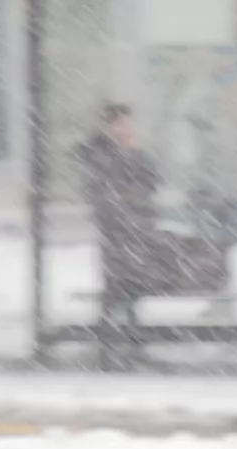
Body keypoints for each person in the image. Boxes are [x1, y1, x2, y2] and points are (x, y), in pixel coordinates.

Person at [75, 103, 162, 370]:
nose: (127, 128)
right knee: (115, 287)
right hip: (115, 231)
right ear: (110, 126)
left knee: (133, 287)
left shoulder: (134, 153)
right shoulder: (100, 154)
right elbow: (104, 189)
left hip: (136, 229)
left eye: (128, 123)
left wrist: (134, 156)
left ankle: (132, 341)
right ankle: (110, 343)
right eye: (122, 123)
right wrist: (124, 195)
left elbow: (152, 181)